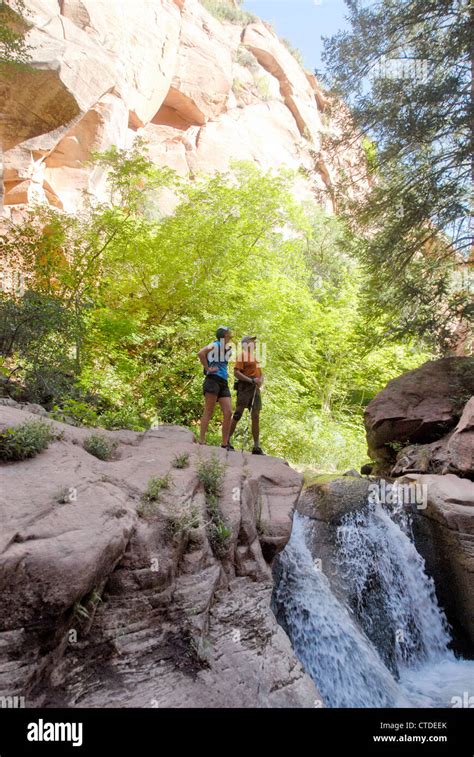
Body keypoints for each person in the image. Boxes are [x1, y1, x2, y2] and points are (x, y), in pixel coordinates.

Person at [198, 326, 234, 450]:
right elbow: (201, 353)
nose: (231, 335)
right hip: (212, 380)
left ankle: (224, 444)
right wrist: (208, 368)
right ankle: (201, 441)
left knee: (228, 412)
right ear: (224, 335)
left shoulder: (228, 348)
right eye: (229, 333)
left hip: (223, 382)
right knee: (209, 410)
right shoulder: (216, 344)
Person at [228, 335, 265, 454]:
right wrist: (251, 380)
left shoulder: (256, 358)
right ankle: (226, 440)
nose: (254, 343)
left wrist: (260, 381)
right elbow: (236, 372)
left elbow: (261, 374)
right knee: (238, 413)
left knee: (255, 416)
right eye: (251, 341)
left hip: (255, 388)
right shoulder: (242, 356)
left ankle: (256, 446)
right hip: (245, 386)